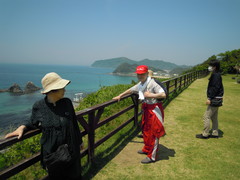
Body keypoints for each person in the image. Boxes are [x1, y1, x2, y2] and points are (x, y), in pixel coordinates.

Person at [5, 72, 83, 179]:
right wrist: (22, 127)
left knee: (75, 175)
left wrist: (79, 141)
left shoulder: (67, 103)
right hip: (54, 156)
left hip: (72, 150)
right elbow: (32, 122)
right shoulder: (39, 106)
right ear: (52, 91)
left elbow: (74, 123)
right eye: (62, 88)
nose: (65, 90)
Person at [113, 65, 166, 163]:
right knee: (145, 129)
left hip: (155, 109)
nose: (140, 76)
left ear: (146, 73)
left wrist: (151, 95)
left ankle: (152, 156)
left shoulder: (153, 83)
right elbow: (131, 89)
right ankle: (146, 148)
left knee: (154, 132)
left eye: (142, 74)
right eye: (138, 74)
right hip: (146, 108)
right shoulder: (141, 84)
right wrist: (120, 95)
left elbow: (163, 94)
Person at [196, 59, 224, 139]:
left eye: (211, 66)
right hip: (218, 98)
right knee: (214, 117)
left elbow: (214, 88)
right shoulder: (217, 74)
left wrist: (209, 98)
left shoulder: (215, 75)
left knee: (206, 116)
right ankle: (215, 133)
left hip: (214, 99)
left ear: (214, 67)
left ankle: (205, 134)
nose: (209, 67)